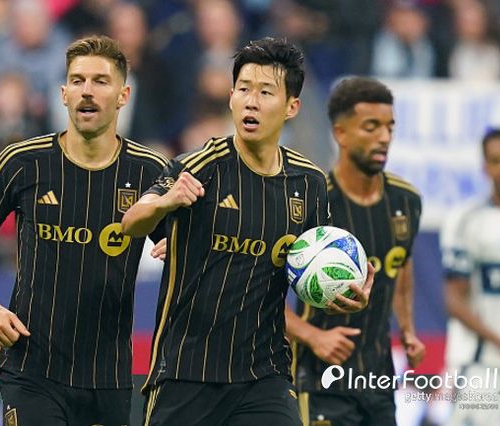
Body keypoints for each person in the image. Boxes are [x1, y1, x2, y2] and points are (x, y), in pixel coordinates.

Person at [121, 37, 374, 426]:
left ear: (292, 107)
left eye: (265, 92)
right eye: (243, 89)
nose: (251, 101)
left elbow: (310, 270)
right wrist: (166, 202)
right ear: (231, 97)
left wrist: (340, 293)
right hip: (186, 372)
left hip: (264, 376)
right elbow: (132, 222)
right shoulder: (199, 165)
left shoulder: (308, 183)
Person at [0, 35, 168, 426]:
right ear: (63, 93)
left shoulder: (149, 171)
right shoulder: (24, 162)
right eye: (78, 80)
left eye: (100, 81)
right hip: (31, 371)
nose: (87, 91)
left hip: (109, 378)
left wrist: (178, 248)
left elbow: (181, 248)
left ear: (123, 95)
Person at [285, 77, 425, 426]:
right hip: (319, 378)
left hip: (378, 379)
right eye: (371, 127)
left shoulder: (406, 200)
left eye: (390, 127)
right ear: (341, 133)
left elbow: (401, 264)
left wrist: (408, 330)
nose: (384, 137)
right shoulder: (312, 200)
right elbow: (259, 291)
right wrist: (314, 336)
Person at [440, 128, 500, 426]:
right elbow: (455, 301)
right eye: (496, 161)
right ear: (485, 167)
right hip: (481, 366)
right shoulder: (467, 220)